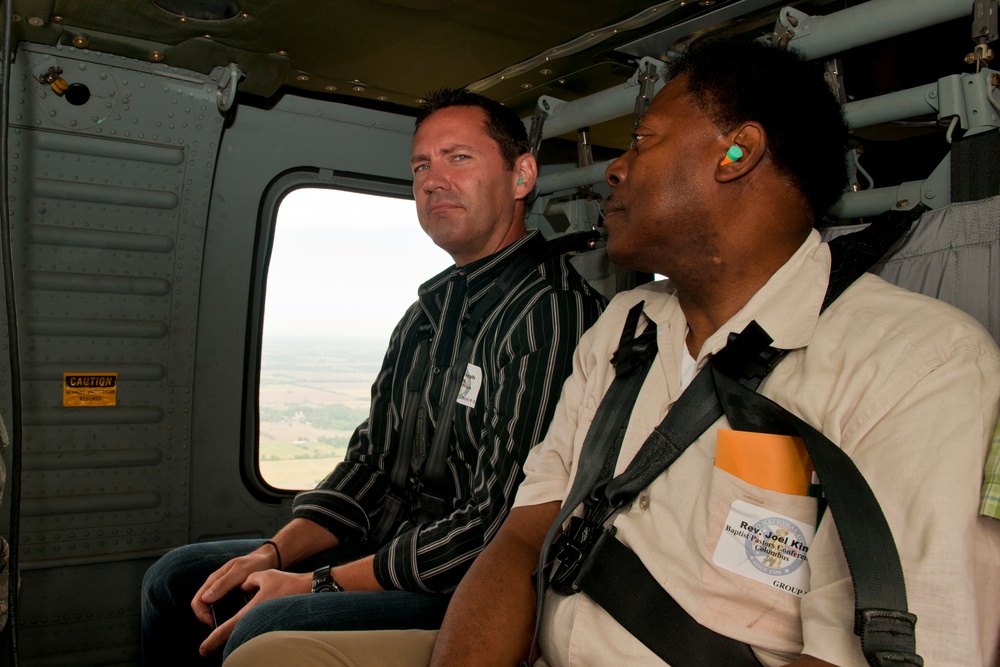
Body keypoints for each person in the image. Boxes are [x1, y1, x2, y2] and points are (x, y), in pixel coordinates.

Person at [224, 38, 1000, 667]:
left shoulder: (919, 364)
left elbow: (875, 652)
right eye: (421, 165)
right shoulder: (626, 327)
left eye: (642, 140)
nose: (616, 168)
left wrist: (319, 576)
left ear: (736, 156)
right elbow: (522, 536)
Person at [139, 88, 606, 665]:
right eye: (420, 166)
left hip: (467, 582)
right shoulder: (425, 316)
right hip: (392, 547)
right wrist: (274, 554)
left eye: (459, 158)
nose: (433, 180)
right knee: (176, 578)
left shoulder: (550, 314)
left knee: (262, 628)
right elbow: (369, 466)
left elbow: (493, 528)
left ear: (522, 175)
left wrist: (318, 584)